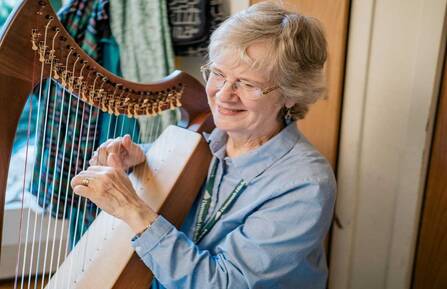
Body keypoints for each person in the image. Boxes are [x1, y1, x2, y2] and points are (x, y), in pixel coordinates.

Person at [71, 2, 336, 288]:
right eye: (219, 74)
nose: (223, 94)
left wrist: (134, 210)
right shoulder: (209, 142)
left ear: (291, 93)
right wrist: (139, 160)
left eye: (247, 83)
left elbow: (224, 283)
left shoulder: (305, 185)